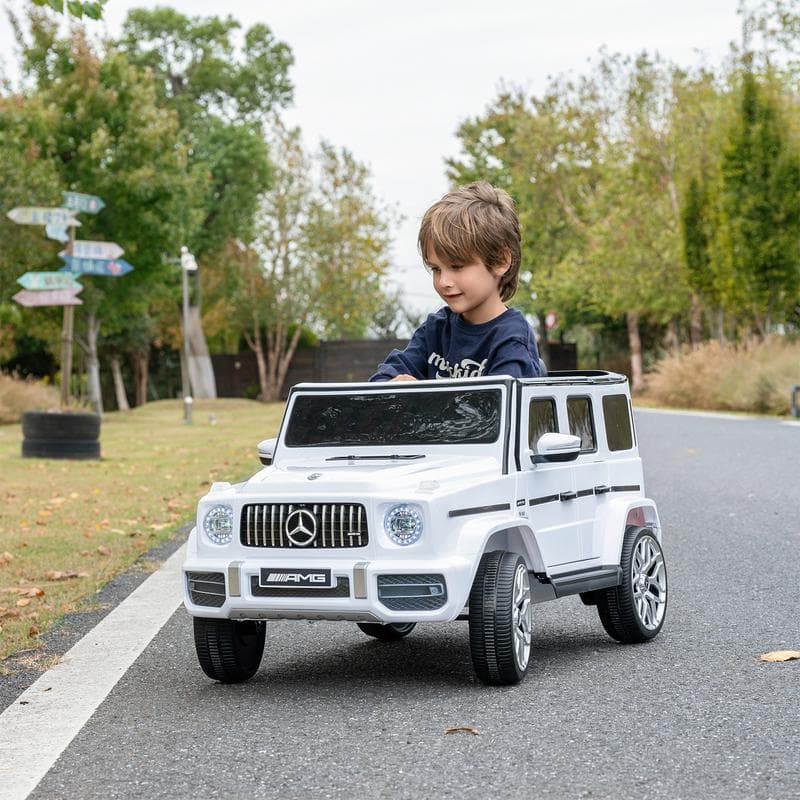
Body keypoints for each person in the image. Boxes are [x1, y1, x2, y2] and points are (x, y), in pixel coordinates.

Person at [370, 181, 542, 382]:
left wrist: (423, 401)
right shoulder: (435, 329)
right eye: (435, 269)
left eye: (457, 266)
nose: (443, 281)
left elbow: (496, 410)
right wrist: (393, 385)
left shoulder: (511, 339)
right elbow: (382, 379)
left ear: (501, 261)